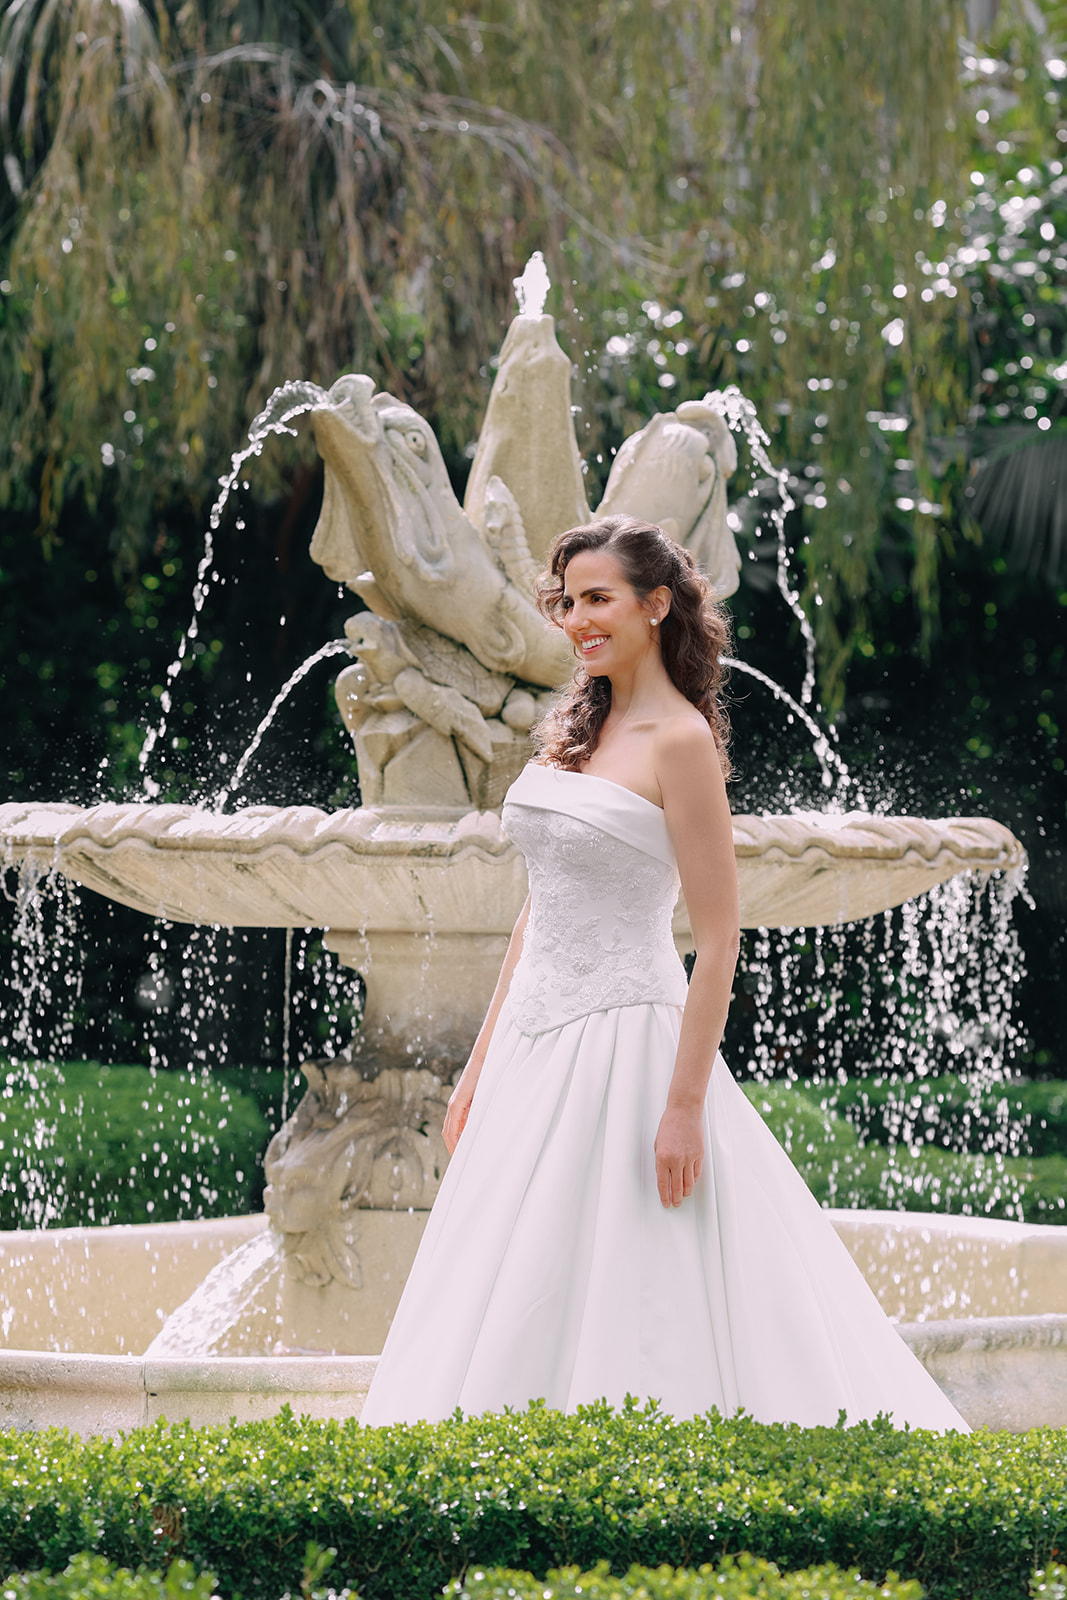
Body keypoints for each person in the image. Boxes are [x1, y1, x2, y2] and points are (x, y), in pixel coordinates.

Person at [359, 515, 968, 1432]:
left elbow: (718, 938)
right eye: (567, 603)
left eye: (597, 600)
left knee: (635, 1257)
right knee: (508, 1260)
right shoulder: (571, 729)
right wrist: (479, 1067)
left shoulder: (680, 742)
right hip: (532, 1042)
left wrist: (683, 1106)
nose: (576, 621)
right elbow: (536, 911)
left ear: (655, 605)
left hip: (626, 1043)